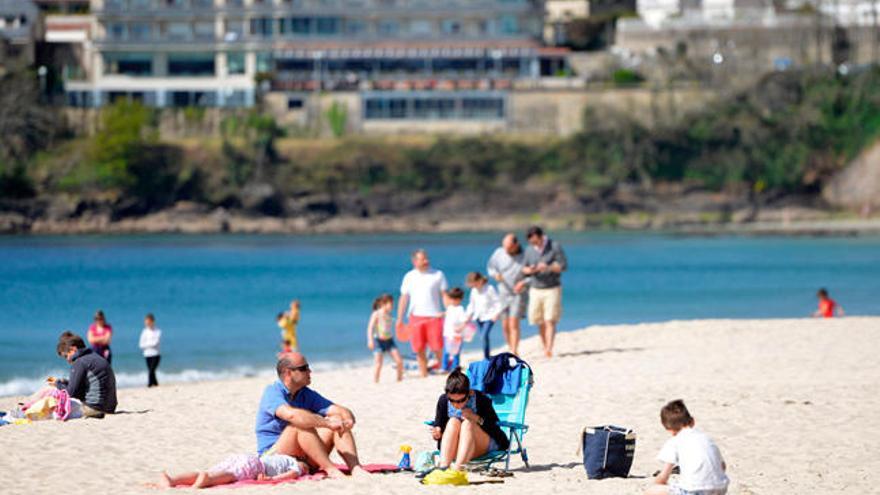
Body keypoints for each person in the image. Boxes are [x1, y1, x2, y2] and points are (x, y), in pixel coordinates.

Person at [254, 353, 368, 479]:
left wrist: (347, 419)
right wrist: (328, 423)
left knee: (337, 419)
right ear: (288, 373)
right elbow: (292, 416)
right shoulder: (272, 392)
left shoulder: (305, 394)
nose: (310, 371)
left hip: (303, 459)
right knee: (300, 424)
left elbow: (338, 410)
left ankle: (356, 468)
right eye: (304, 368)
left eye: (308, 367)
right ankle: (331, 470)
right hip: (273, 460)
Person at [424, 368, 510, 484]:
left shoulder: (482, 400)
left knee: (468, 423)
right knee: (453, 421)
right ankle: (444, 467)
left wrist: (476, 418)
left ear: (469, 393)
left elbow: (495, 428)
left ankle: (459, 470)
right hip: (457, 448)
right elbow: (439, 423)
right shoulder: (443, 401)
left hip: (483, 444)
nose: (456, 404)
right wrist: (437, 431)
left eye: (461, 400)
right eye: (452, 400)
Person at [645, 400, 729, 495]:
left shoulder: (674, 442)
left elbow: (664, 476)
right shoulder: (706, 438)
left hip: (694, 490)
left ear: (669, 430)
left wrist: (657, 484)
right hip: (720, 487)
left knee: (651, 491)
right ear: (692, 421)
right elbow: (722, 466)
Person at [396, 249, 448, 377]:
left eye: (427, 258)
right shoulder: (409, 276)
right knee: (418, 347)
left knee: (437, 346)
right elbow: (404, 298)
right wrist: (400, 318)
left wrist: (449, 311)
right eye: (422, 259)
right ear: (415, 261)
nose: (426, 261)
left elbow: (444, 295)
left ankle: (442, 368)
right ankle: (423, 373)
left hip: (435, 316)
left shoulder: (438, 274)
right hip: (415, 316)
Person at [47, 331, 117, 418]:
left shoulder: (80, 362)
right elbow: (83, 387)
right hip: (110, 407)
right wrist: (65, 383)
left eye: (66, 356)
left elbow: (71, 393)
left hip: (94, 408)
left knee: (52, 403)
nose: (68, 360)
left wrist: (58, 384)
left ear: (73, 349)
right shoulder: (94, 356)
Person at [522, 226, 567, 358]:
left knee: (550, 320)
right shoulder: (529, 250)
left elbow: (563, 266)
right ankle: (545, 345)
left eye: (535, 240)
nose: (533, 243)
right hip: (535, 288)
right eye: (531, 241)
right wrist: (530, 270)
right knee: (539, 320)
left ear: (541, 236)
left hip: (552, 287)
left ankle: (549, 348)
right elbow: (523, 268)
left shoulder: (555, 246)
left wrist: (548, 267)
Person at [159, 453, 308, 489]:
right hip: (255, 465)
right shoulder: (297, 465)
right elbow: (292, 474)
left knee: (213, 470)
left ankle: (173, 480)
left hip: (246, 457)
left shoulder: (282, 455)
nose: (305, 471)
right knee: (231, 476)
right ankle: (206, 480)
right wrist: (271, 480)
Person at [487, 233, 529, 356]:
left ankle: (514, 350)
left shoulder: (526, 255)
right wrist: (495, 274)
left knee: (513, 322)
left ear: (516, 245)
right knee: (505, 324)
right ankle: (510, 347)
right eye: (504, 247)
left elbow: (533, 275)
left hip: (519, 294)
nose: (506, 250)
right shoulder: (499, 252)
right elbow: (490, 267)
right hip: (503, 293)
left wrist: (524, 282)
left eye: (509, 247)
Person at [366, 293, 404, 383]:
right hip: (378, 341)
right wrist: (370, 340)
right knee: (378, 364)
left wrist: (399, 323)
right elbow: (370, 327)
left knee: (399, 361)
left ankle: (399, 380)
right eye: (391, 304)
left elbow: (391, 324)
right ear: (383, 304)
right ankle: (376, 382)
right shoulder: (376, 314)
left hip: (389, 341)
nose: (392, 306)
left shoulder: (389, 314)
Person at [465, 272, 502, 359]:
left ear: (480, 280)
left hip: (489, 317)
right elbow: (471, 304)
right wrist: (468, 315)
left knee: (484, 335)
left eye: (475, 283)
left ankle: (486, 357)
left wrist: (496, 314)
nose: (474, 285)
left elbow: (497, 302)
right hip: (478, 317)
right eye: (472, 284)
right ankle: (487, 355)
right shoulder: (474, 291)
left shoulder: (489, 288)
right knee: (484, 337)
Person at [441, 288, 468, 372]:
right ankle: (445, 367)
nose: (452, 301)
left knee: (456, 352)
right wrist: (441, 314)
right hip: (448, 334)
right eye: (451, 299)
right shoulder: (450, 307)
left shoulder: (460, 309)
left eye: (454, 299)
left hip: (457, 335)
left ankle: (455, 367)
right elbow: (447, 314)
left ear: (459, 299)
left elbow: (464, 321)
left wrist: (460, 328)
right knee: (446, 351)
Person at [139, 313, 162, 388]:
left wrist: (147, 344)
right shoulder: (144, 331)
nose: (147, 323)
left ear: (152, 321)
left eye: (148, 322)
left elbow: (155, 343)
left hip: (156, 354)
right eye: (146, 322)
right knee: (151, 371)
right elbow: (141, 344)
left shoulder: (158, 331)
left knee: (151, 370)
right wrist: (149, 344)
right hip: (147, 354)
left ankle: (149, 384)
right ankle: (155, 384)